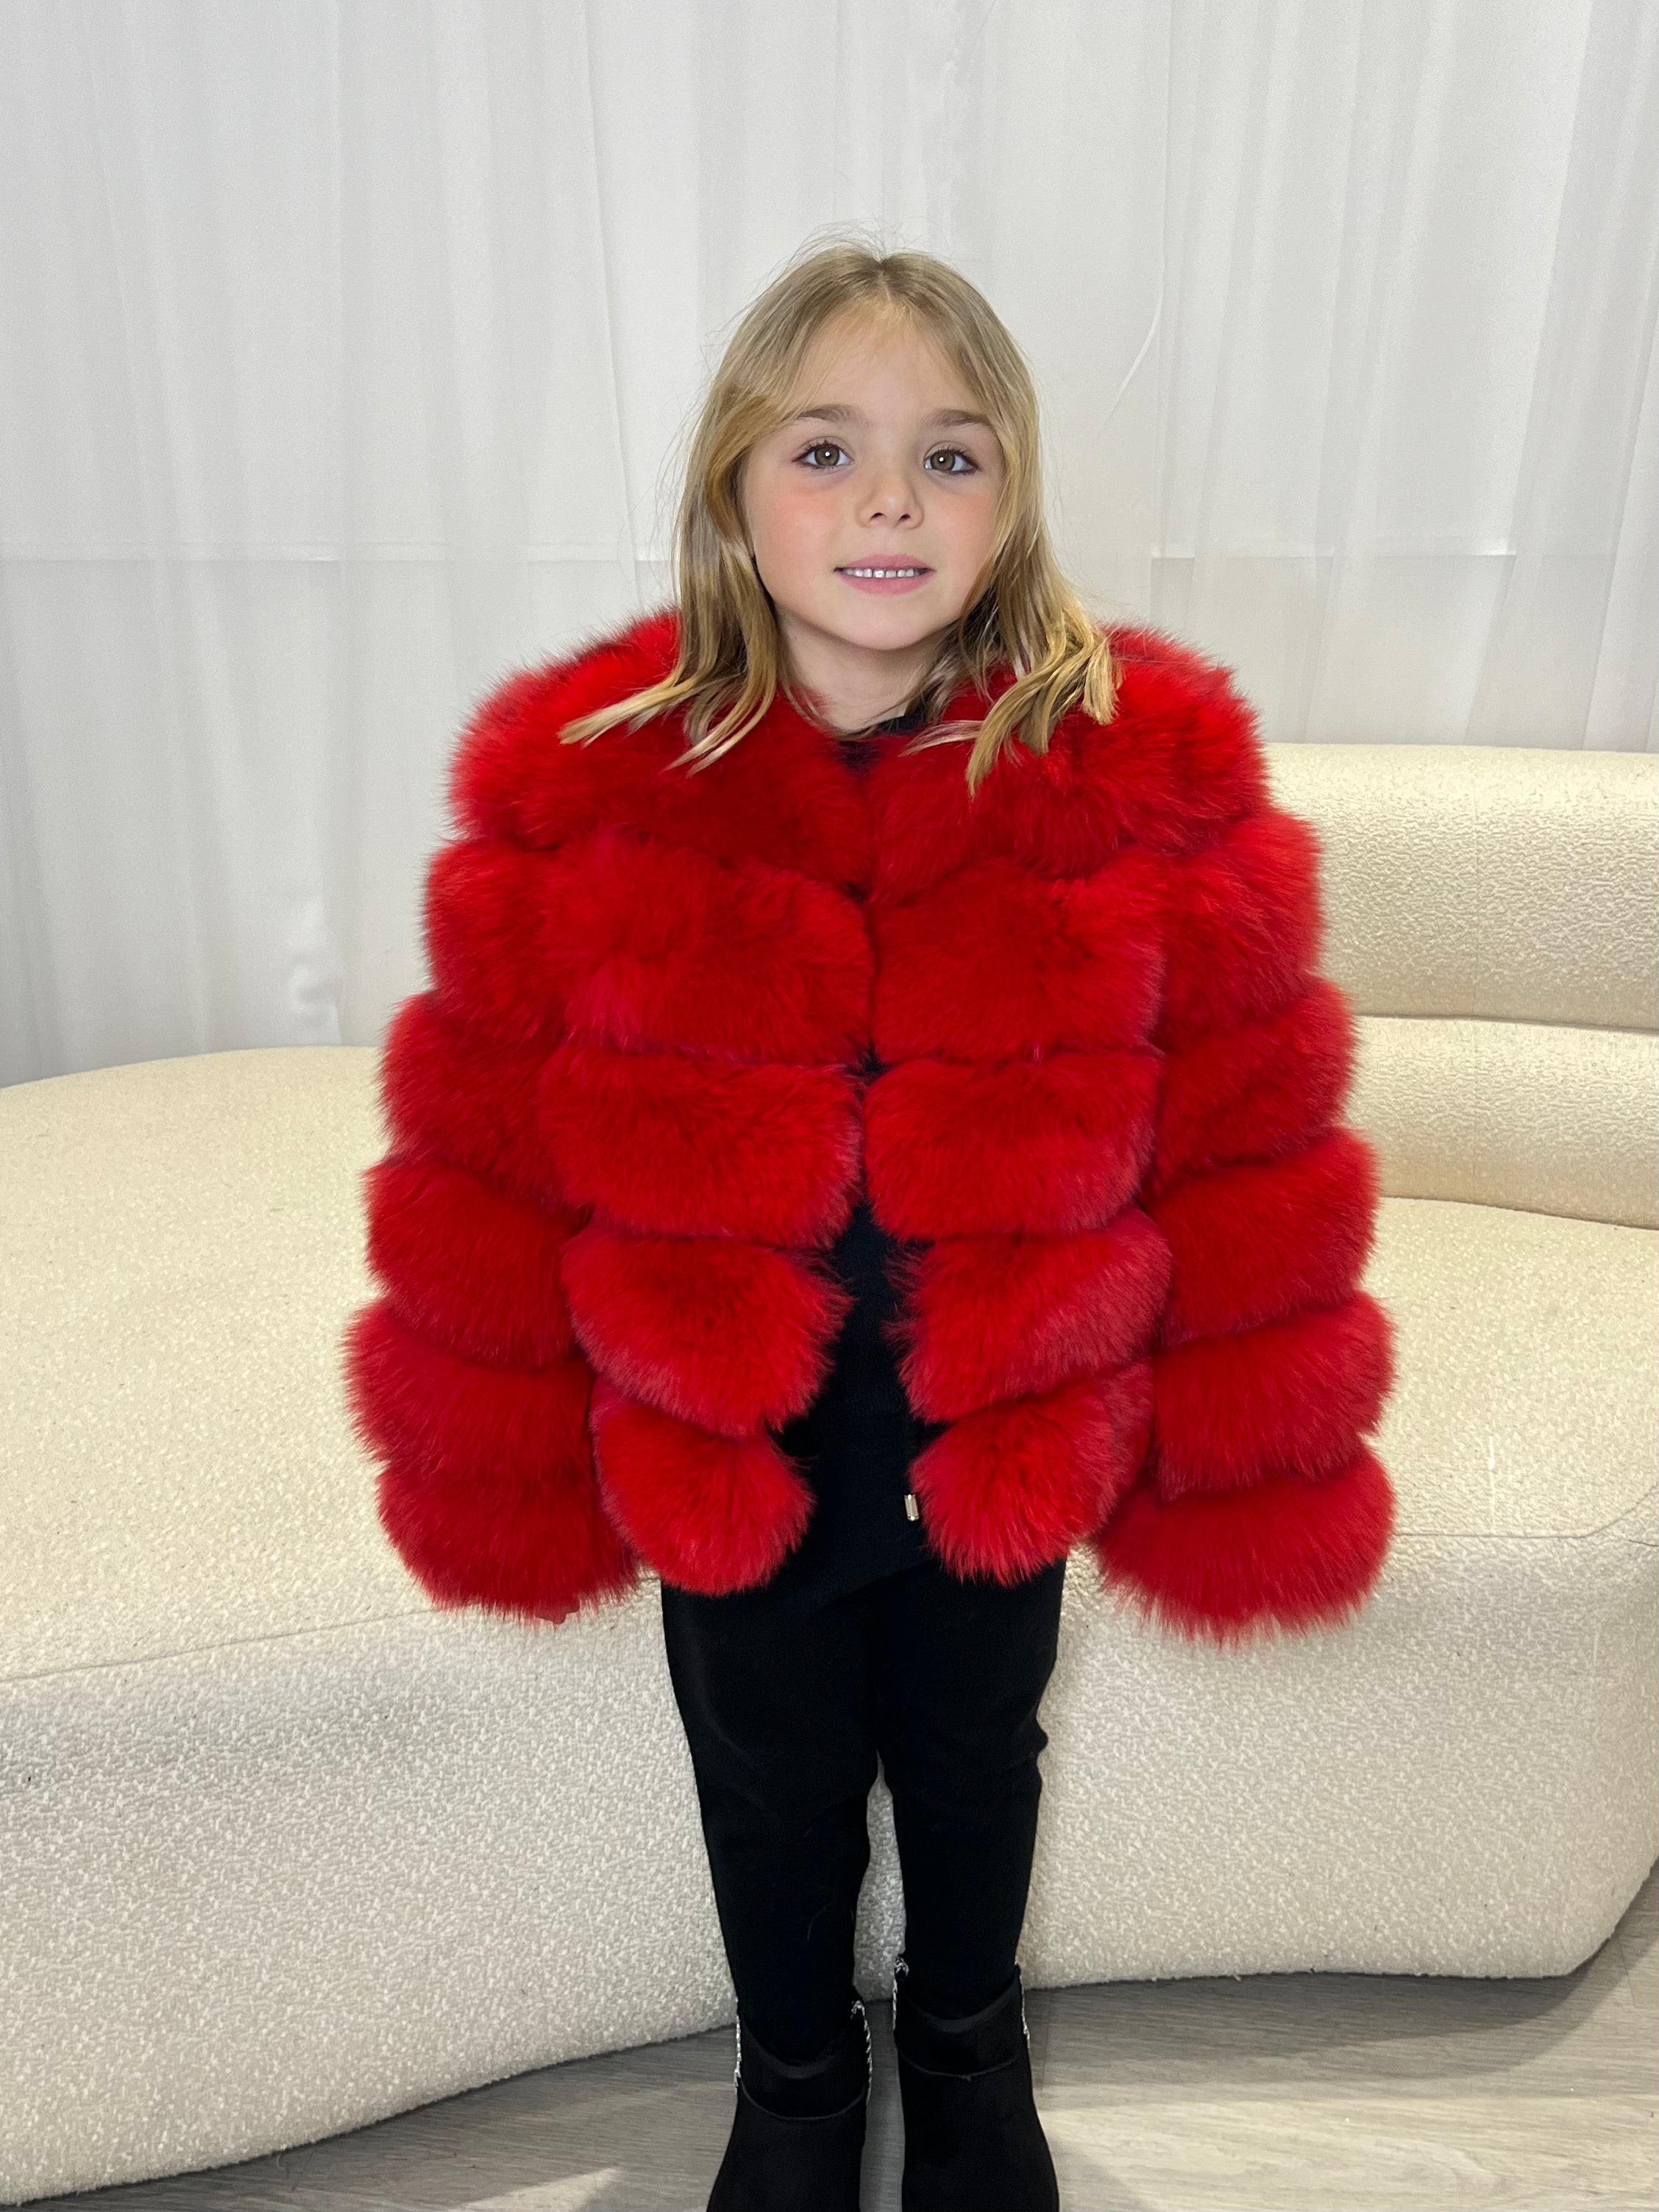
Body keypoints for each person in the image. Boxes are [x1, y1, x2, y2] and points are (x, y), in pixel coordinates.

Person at [344, 238, 1398, 2212]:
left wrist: (1244, 1468)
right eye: (826, 450)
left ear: (1014, 500)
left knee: (981, 1751)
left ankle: (970, 2050)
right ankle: (799, 2083)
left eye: (950, 455)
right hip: (732, 1438)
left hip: (1000, 1427)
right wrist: (501, 1462)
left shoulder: (1145, 774)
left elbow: (1244, 1141)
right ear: (735, 489)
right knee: (767, 1771)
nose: (890, 501)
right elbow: (484, 1160)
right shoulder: (590, 785)